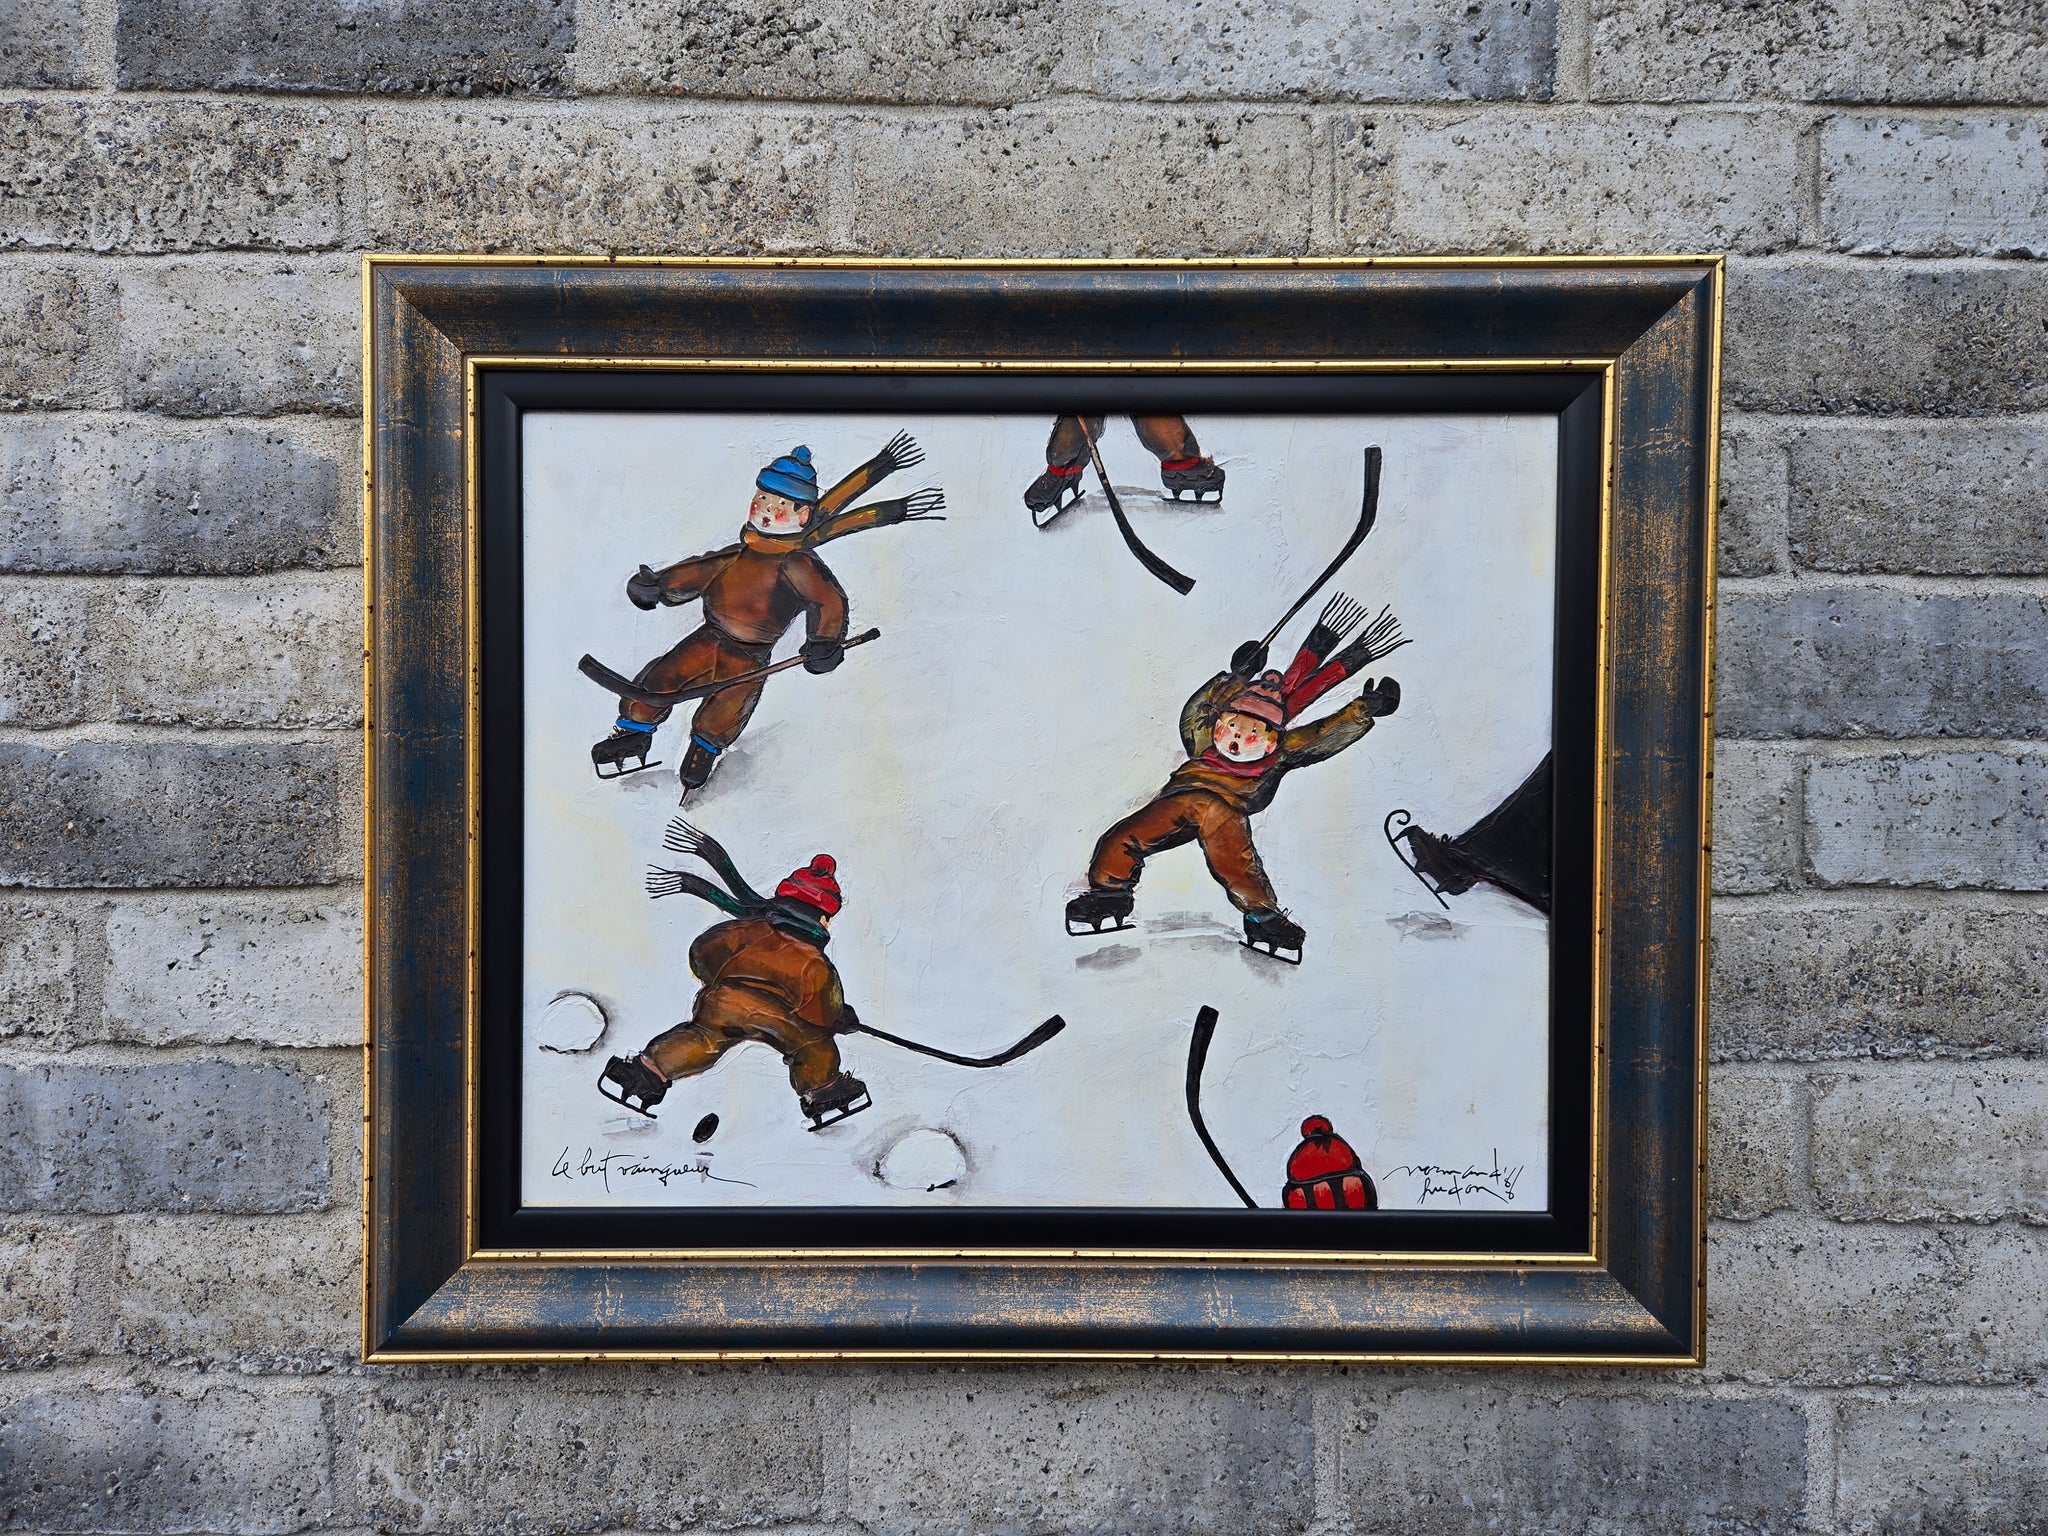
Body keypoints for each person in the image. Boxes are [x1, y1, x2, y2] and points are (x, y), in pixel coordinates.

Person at [591, 432, 941, 794]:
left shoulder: (797, 565)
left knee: (729, 705)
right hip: (708, 638)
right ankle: (632, 734)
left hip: (750, 656)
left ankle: (704, 748)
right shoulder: (737, 556)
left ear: (803, 515)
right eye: (762, 499)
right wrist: (659, 585)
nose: (766, 509)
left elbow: (827, 600)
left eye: (779, 505)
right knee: (662, 678)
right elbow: (699, 571)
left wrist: (824, 641)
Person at [1065, 593, 1405, 962]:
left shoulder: (1281, 752)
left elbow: (1322, 735)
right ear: (1220, 723)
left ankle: (1263, 918)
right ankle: (1109, 895)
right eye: (1231, 727)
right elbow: (1196, 710)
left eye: (1252, 734)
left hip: (1225, 807)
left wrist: (1362, 711)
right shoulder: (1204, 741)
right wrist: (1235, 676)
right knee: (1122, 837)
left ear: (1271, 738)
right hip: (1179, 800)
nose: (1238, 739)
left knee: (1235, 861)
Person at [601, 838, 872, 1130]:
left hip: (724, 1003)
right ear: (820, 918)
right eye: (827, 919)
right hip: (784, 1022)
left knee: (702, 1037)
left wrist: (715, 979)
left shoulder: (745, 930)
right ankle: (823, 1091)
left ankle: (646, 1074)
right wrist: (838, 1017)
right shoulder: (814, 962)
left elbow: (703, 951)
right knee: (814, 1044)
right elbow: (822, 1009)